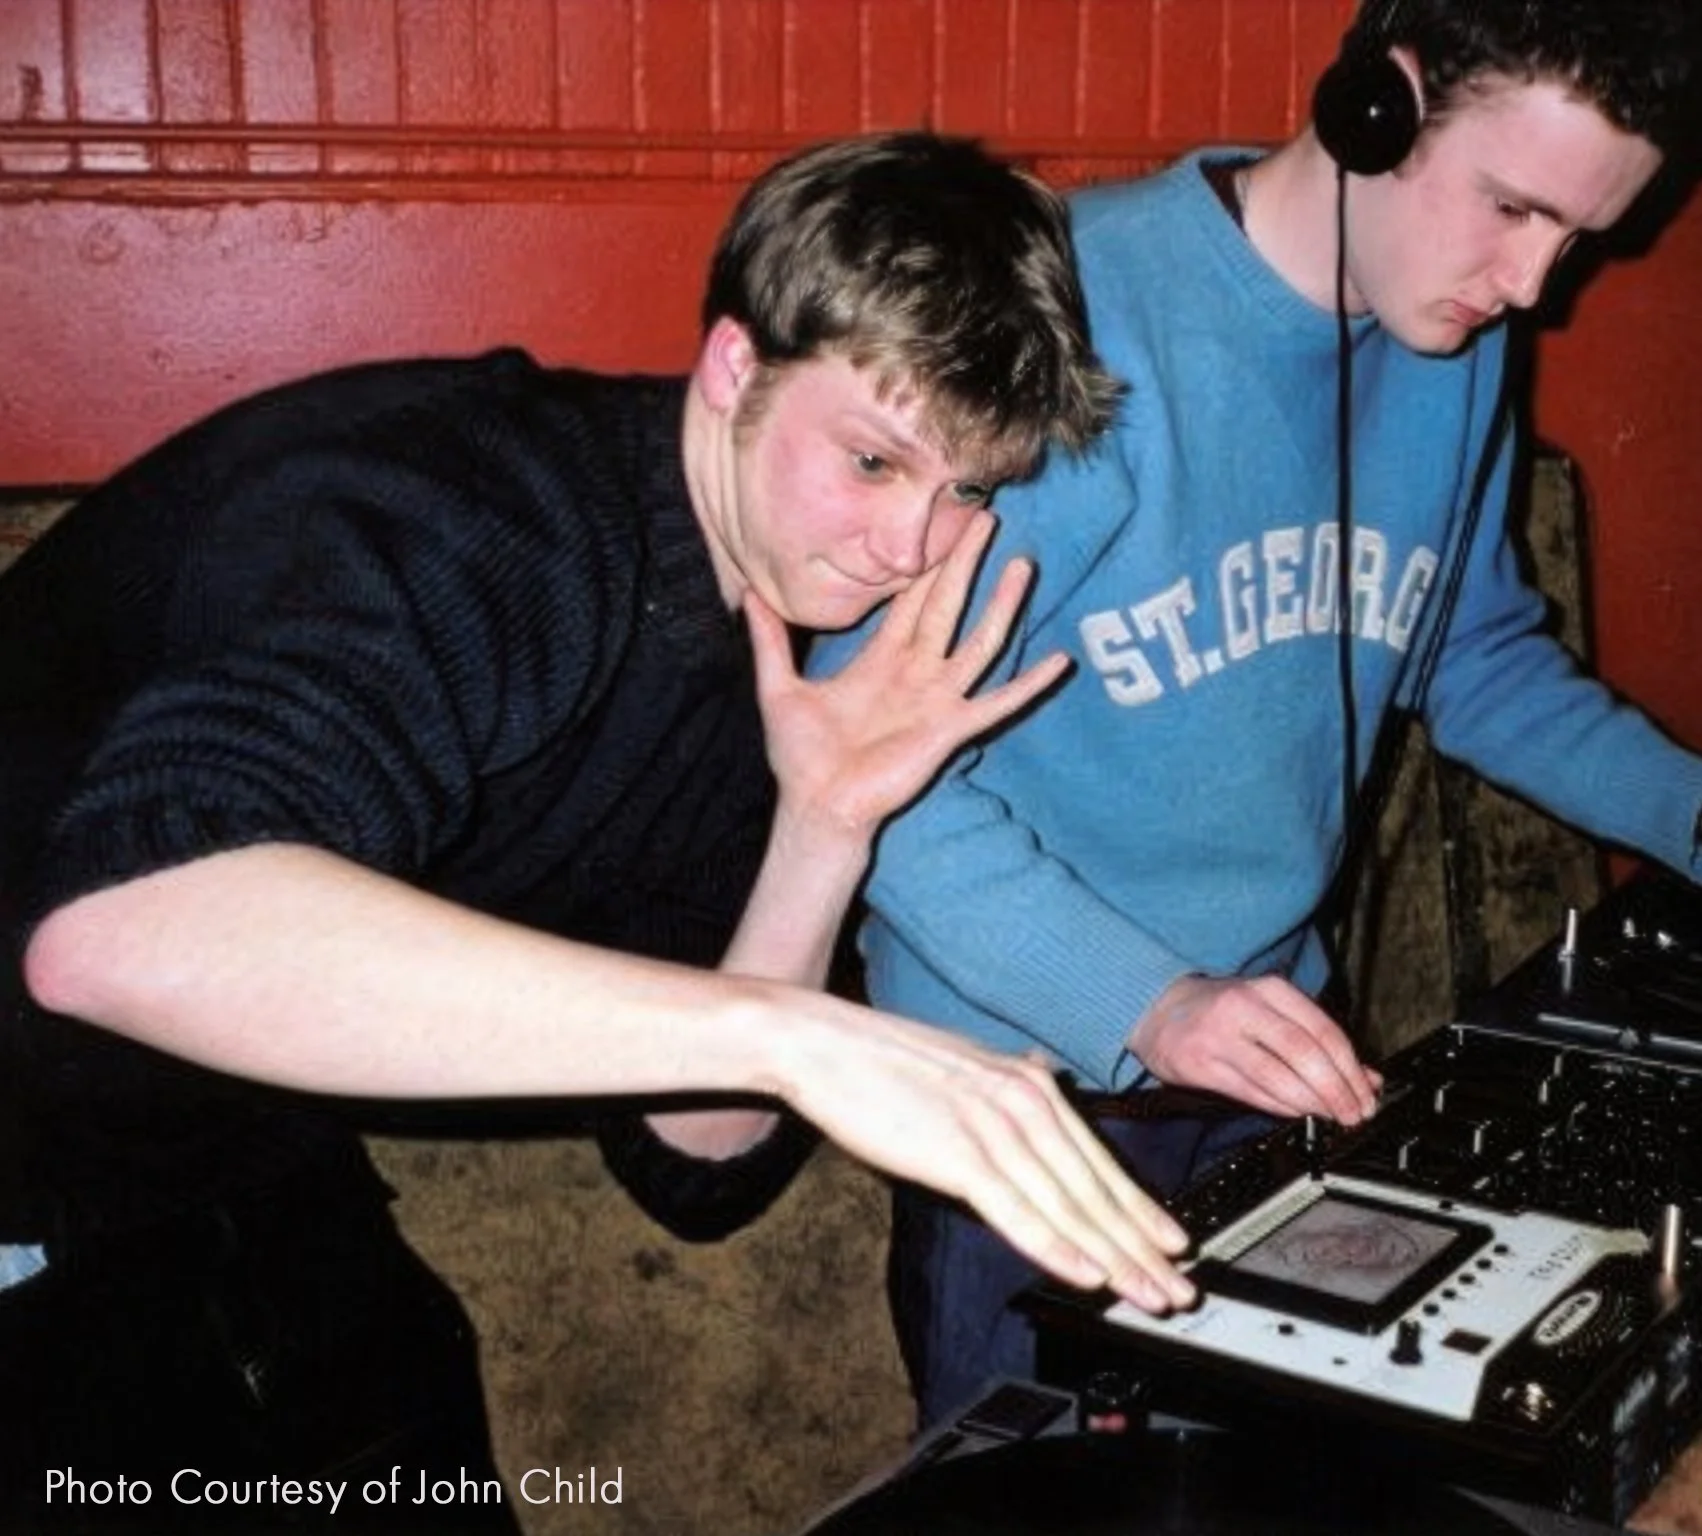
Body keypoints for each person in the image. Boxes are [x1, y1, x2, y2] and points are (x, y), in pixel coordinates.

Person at [811, 1, 1702, 1428]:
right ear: (1382, 105)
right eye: (1514, 207)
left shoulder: (1452, 341)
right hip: (1017, 1093)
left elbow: (1465, 649)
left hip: (1269, 1060)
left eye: (1577, 238)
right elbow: (870, 776)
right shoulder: (1050, 310)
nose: (1532, 284)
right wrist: (1148, 1003)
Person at [0, 132, 1194, 1530]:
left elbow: (697, 1160)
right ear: (735, 367)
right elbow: (118, 934)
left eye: (966, 491)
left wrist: (824, 830)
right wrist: (800, 1038)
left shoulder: (766, 646)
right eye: (874, 461)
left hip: (219, 1154)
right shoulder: (489, 516)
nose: (910, 549)